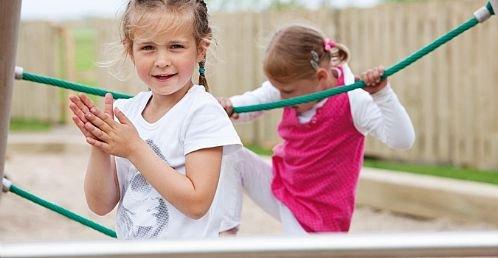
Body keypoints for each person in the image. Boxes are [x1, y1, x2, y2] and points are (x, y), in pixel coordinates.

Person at [68, 0, 241, 239]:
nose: (161, 61)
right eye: (148, 47)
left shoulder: (203, 112)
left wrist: (134, 149)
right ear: (130, 50)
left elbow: (197, 204)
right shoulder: (125, 112)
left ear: (201, 49)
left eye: (176, 46)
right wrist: (101, 145)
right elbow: (100, 205)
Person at [217, 24, 415, 234]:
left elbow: (402, 140)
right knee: (230, 155)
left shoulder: (354, 101)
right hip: (283, 188)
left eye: (287, 91)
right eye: (279, 90)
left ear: (321, 77)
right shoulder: (293, 86)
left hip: (318, 219)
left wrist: (382, 94)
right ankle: (226, 237)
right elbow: (254, 101)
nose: (281, 97)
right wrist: (229, 107)